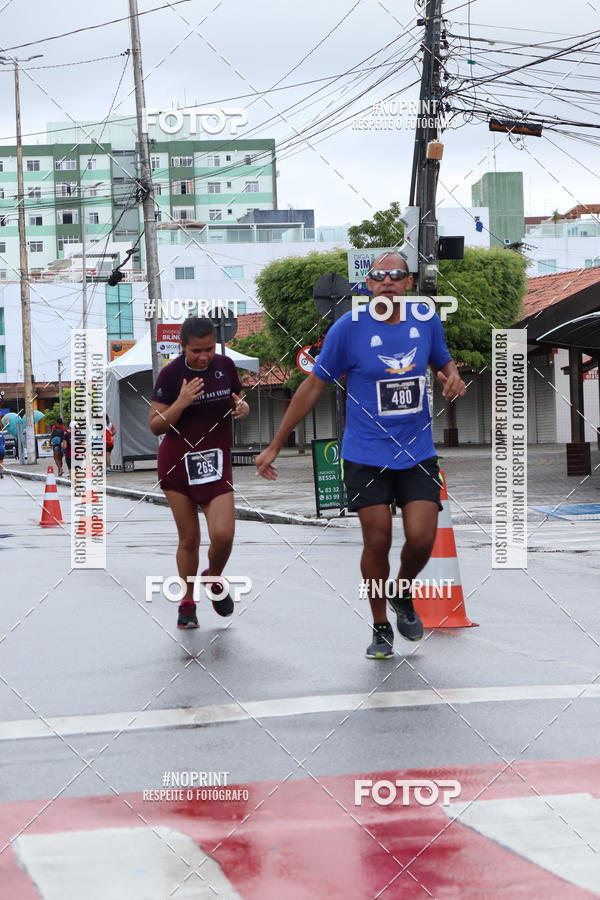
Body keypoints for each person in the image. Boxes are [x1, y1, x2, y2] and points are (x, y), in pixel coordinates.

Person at [256, 253, 467, 659]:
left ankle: (402, 593)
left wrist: (452, 378)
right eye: (378, 276)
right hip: (365, 453)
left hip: (417, 451)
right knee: (378, 538)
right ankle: (380, 626)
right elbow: (312, 387)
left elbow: (443, 363)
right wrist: (275, 444)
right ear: (367, 285)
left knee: (422, 539)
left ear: (408, 284)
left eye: (396, 276)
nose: (387, 281)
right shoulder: (347, 329)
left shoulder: (425, 320)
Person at [148, 316, 250, 629]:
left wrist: (243, 408)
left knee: (224, 536)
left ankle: (213, 576)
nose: (203, 356)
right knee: (189, 539)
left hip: (214, 465)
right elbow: (155, 425)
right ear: (183, 347)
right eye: (196, 351)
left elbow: (237, 399)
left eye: (208, 349)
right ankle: (187, 603)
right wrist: (181, 402)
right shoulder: (171, 374)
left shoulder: (226, 366)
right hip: (177, 465)